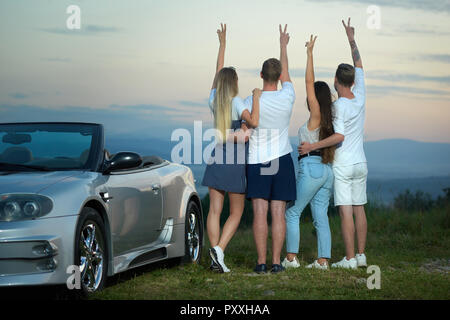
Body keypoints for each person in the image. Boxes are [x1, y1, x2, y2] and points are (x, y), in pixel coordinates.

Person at [299, 18, 368, 269]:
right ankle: (361, 255)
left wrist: (311, 147)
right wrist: (351, 39)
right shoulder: (360, 95)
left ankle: (349, 259)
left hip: (344, 164)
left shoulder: (338, 106)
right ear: (352, 80)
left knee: (346, 210)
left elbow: (339, 137)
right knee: (360, 208)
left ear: (337, 81)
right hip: (361, 161)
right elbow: (359, 63)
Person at [202, 23, 262, 273]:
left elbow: (218, 73)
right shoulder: (238, 102)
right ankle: (219, 250)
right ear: (235, 83)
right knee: (235, 212)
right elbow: (255, 122)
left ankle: (216, 255)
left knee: (214, 210)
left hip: (217, 158)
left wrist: (222, 45)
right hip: (235, 162)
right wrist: (257, 97)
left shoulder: (214, 99)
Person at [244, 25, 296, 274]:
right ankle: (277, 263)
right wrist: (283, 44)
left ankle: (261, 262)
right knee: (279, 213)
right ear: (279, 76)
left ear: (261, 75)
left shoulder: (251, 100)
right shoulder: (288, 95)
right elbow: (286, 74)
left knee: (260, 211)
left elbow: (243, 127)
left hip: (258, 160)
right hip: (282, 159)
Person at [282, 35, 336, 270]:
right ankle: (322, 261)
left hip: (312, 168)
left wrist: (309, 54)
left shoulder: (316, 116)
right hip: (326, 171)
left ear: (316, 98)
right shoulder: (327, 118)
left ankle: (291, 259)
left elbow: (308, 82)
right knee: (320, 216)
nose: (308, 96)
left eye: (312, 95)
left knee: (292, 213)